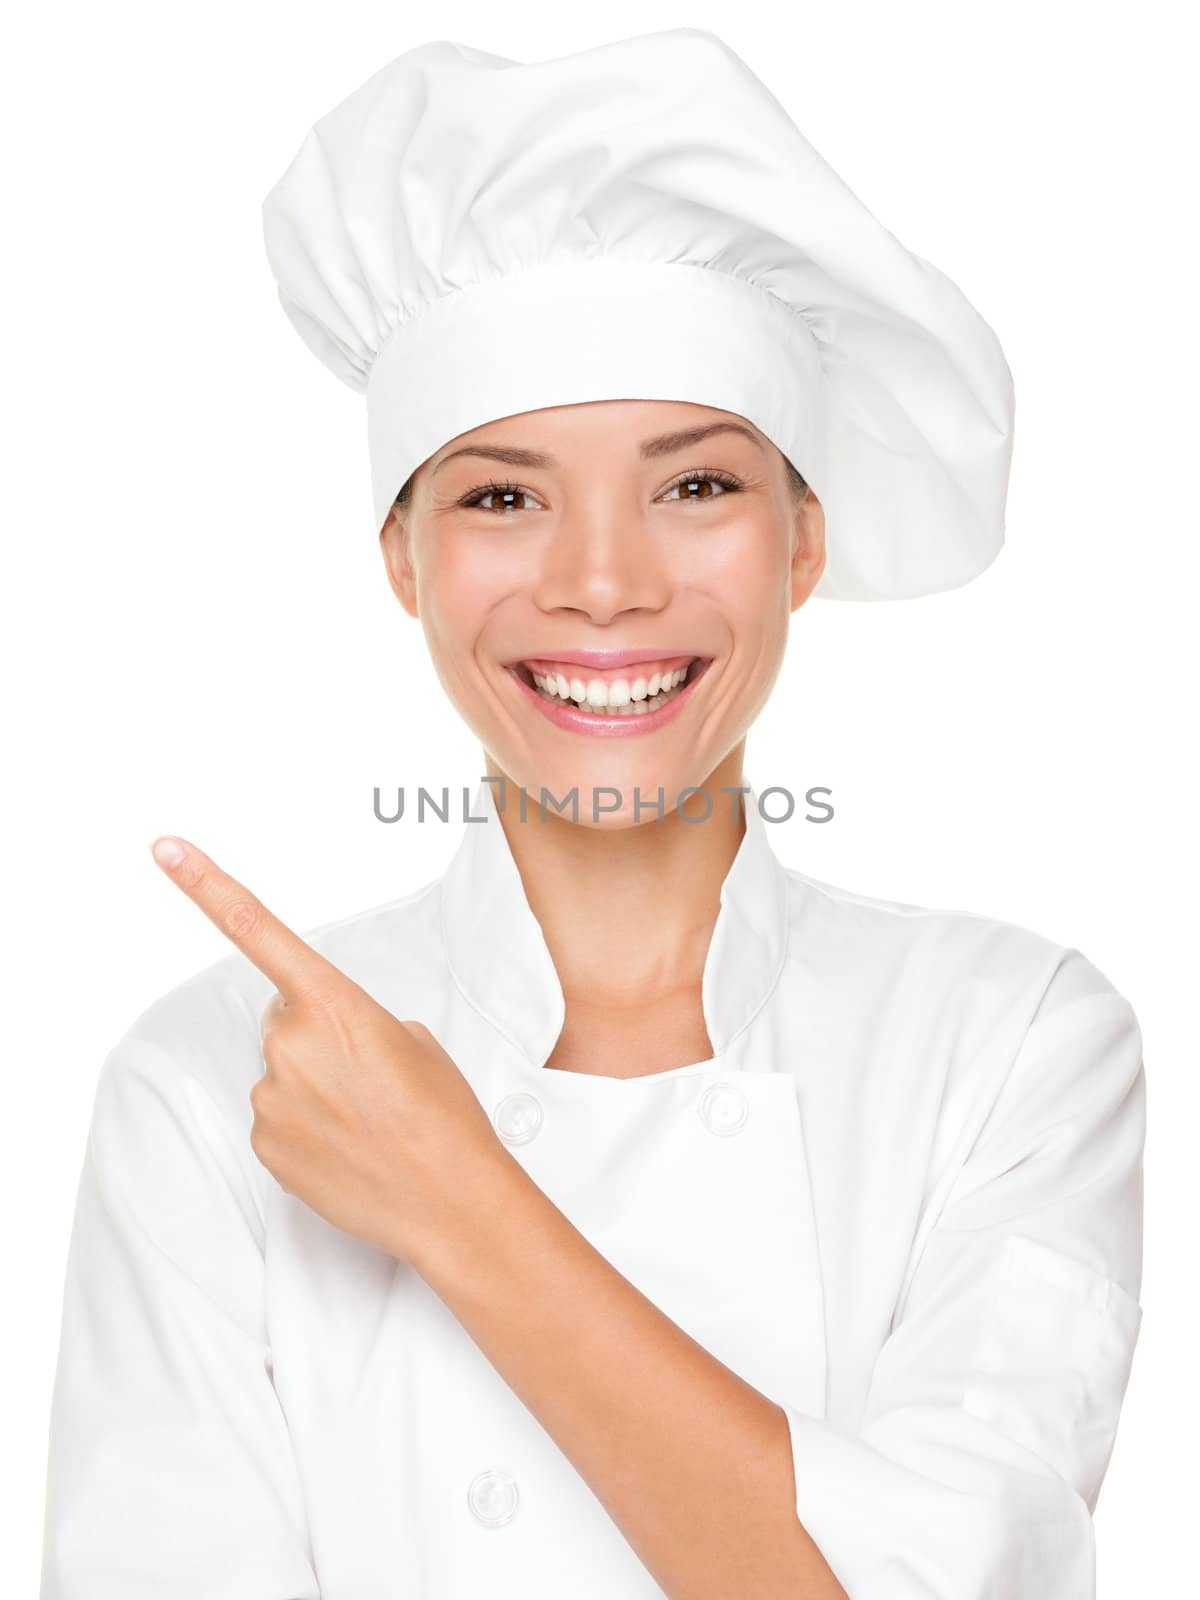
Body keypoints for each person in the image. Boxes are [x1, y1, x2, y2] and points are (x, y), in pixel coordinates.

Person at [40, 29, 1145, 1600]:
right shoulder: (214, 1086)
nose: (607, 583)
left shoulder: (1013, 1041)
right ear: (403, 562)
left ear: (803, 543)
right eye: (502, 494)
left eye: (696, 485)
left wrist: (456, 1200)